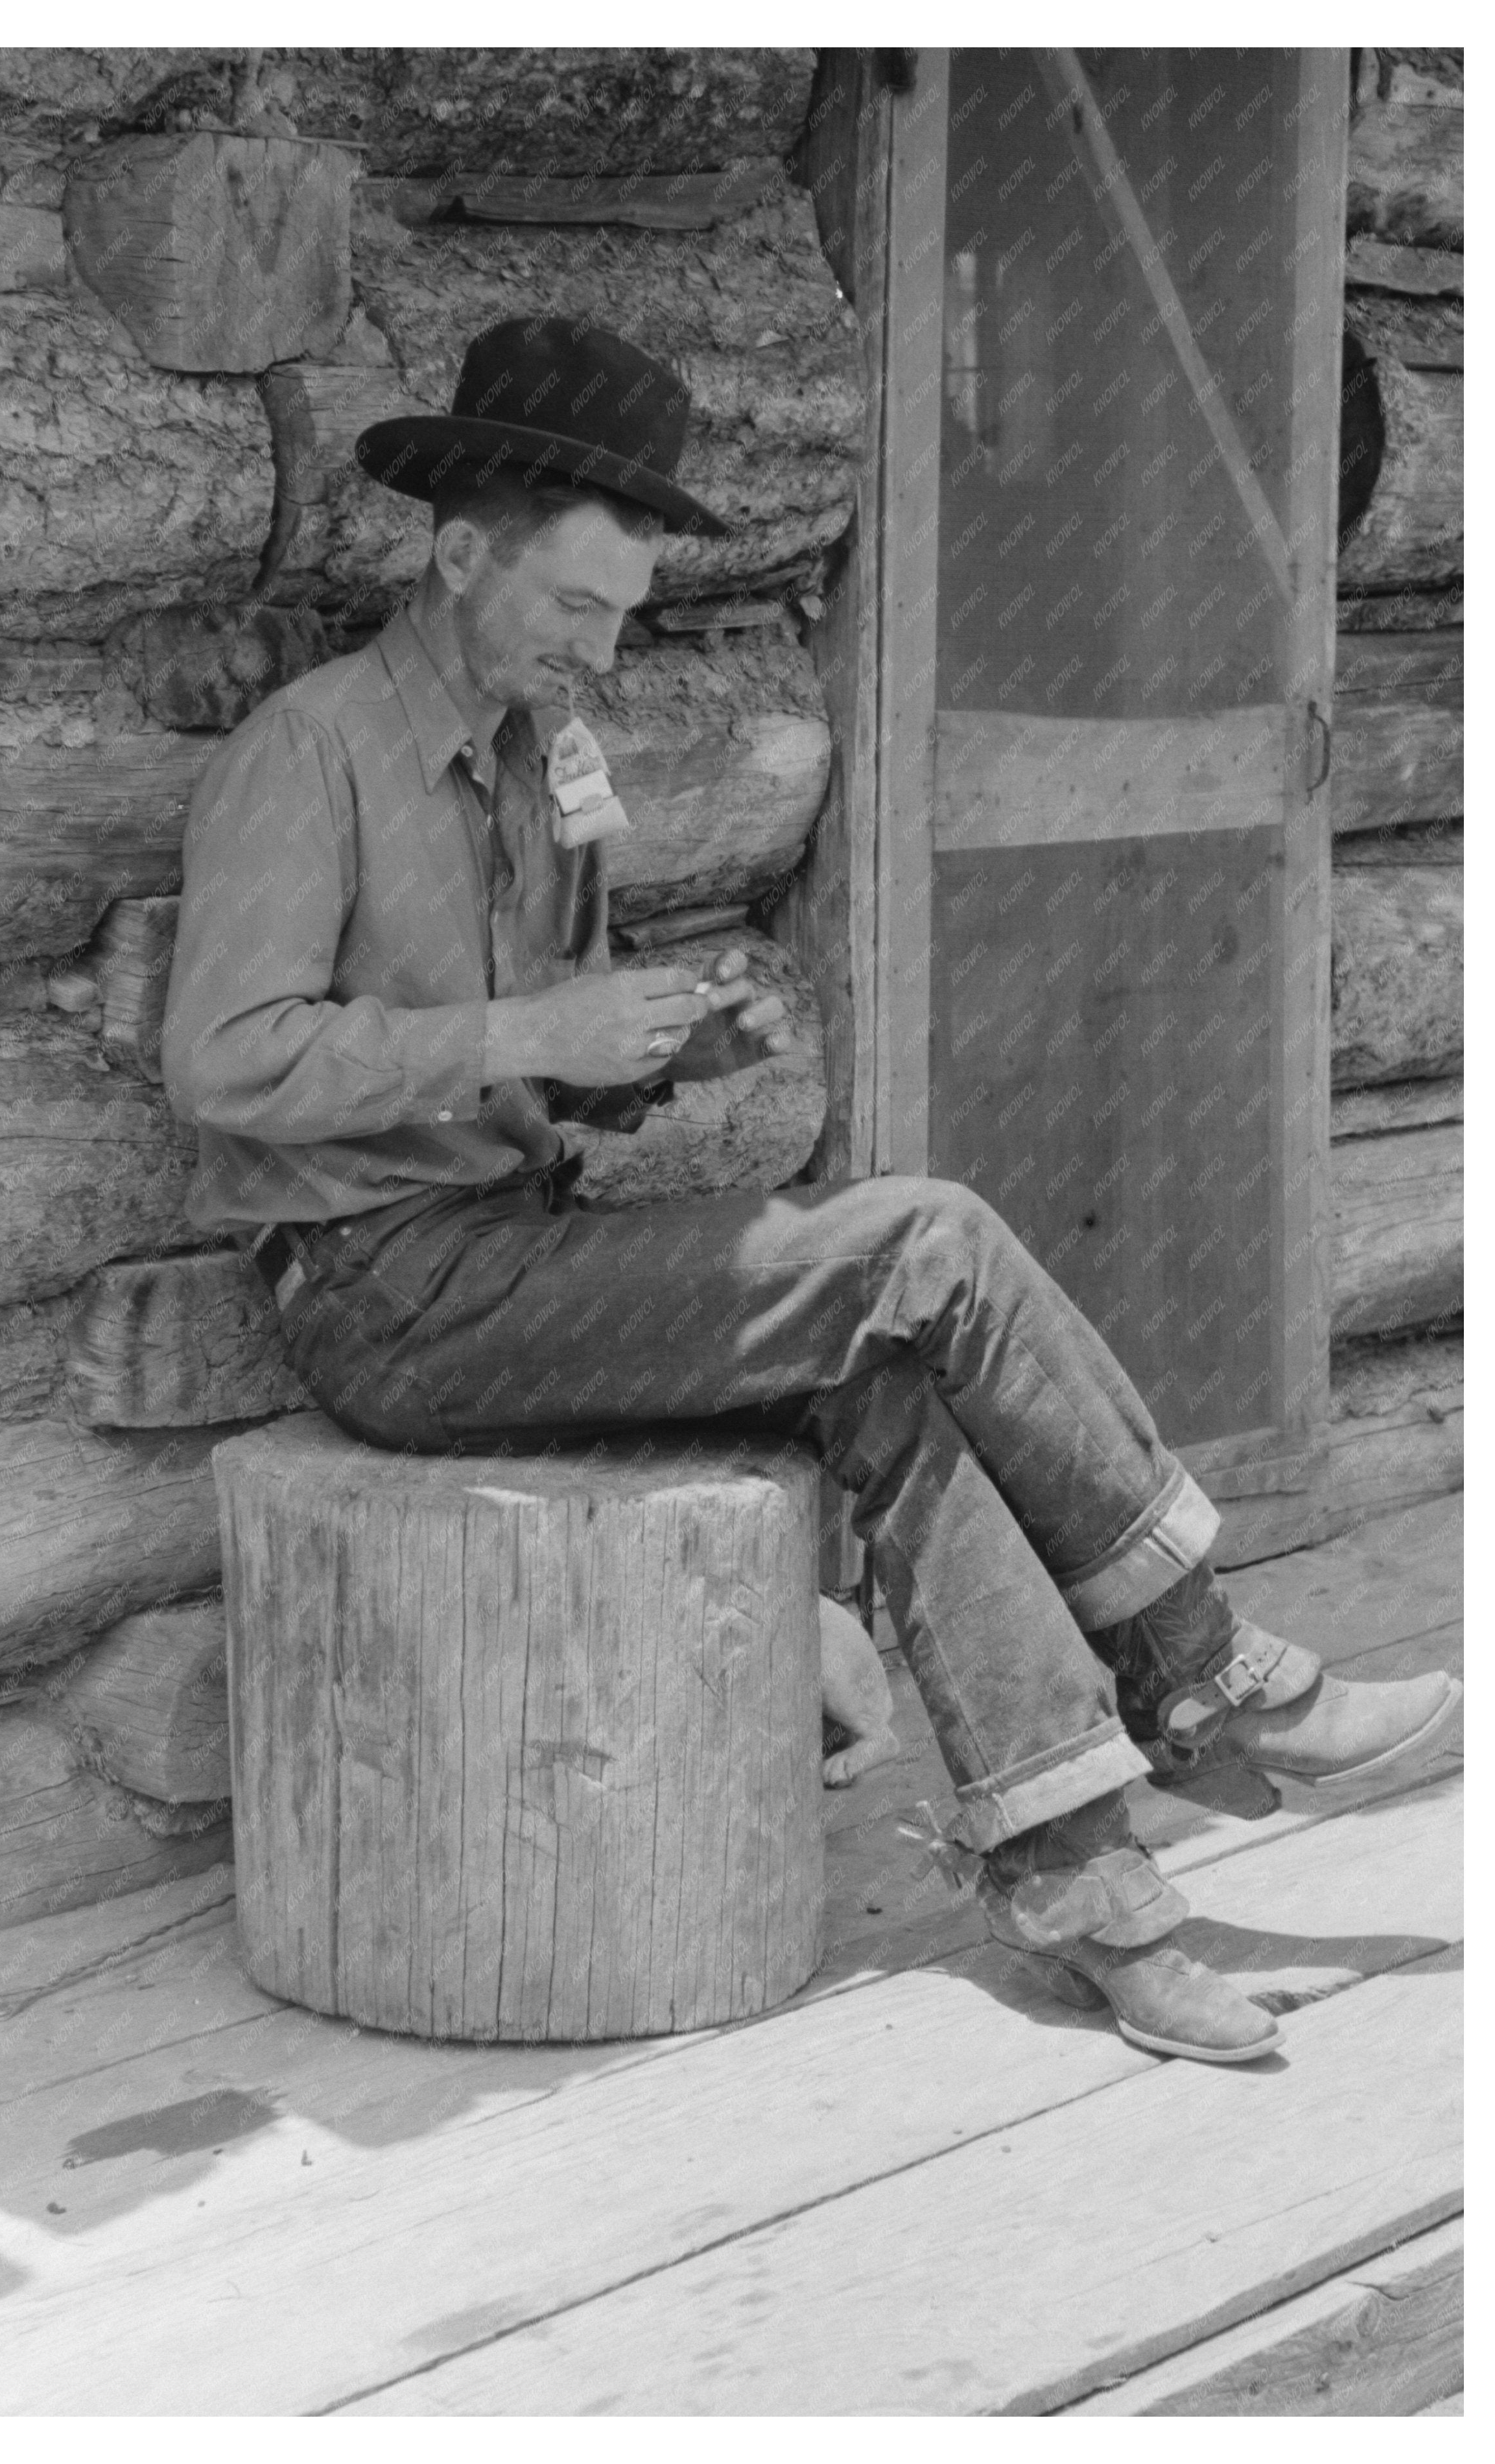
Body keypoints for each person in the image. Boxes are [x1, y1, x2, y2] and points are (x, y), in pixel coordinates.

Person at [162, 318, 1460, 2066]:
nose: (600, 651)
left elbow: (541, 1070)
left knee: (893, 1385)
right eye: (575, 608)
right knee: (929, 1234)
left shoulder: (541, 768)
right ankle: (1205, 1662)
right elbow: (224, 1059)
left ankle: (1092, 1891)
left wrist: (662, 1054)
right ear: (460, 554)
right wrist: (526, 1029)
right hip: (379, 1293)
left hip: (509, 1253)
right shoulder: (307, 753)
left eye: (623, 617)